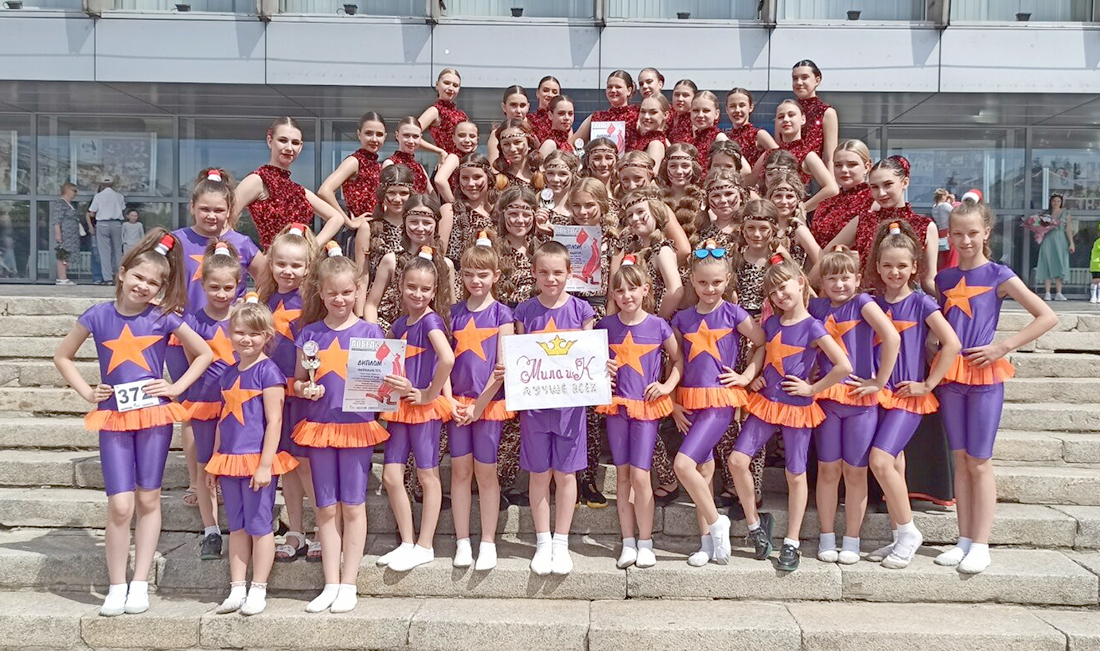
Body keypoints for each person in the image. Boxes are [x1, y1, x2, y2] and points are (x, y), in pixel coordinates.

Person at [53, 229, 213, 616]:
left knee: (148, 498)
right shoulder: (97, 315)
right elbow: (62, 356)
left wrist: (176, 387)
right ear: (123, 273)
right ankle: (116, 584)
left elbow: (205, 353)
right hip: (113, 417)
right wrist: (87, 392)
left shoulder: (163, 317)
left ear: (161, 288)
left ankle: (139, 583)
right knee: (121, 506)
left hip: (154, 416)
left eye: (153, 282)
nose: (143, 286)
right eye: (138, 277)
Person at [933, 201, 1057, 574]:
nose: (966, 240)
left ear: (986, 232)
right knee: (959, 459)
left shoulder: (999, 274)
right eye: (958, 233)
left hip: (985, 377)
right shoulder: (944, 279)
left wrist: (1002, 346)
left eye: (973, 233)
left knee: (980, 460)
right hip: (951, 377)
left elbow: (1047, 316)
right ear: (950, 235)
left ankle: (981, 543)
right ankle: (963, 540)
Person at [729, 254, 851, 572]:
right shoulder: (770, 323)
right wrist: (752, 375)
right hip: (767, 402)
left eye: (784, 287)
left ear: (799, 283)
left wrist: (813, 389)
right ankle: (755, 526)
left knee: (795, 474)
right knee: (737, 460)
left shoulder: (813, 326)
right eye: (773, 292)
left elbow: (843, 366)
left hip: (797, 408)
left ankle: (792, 542)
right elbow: (762, 352)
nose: (780, 295)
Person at [292, 242, 390, 613]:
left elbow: (384, 384)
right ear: (320, 292)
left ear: (357, 291)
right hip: (319, 427)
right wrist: (304, 389)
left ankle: (349, 583)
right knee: (325, 507)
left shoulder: (370, 332)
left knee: (353, 505)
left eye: (347, 292)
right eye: (332, 293)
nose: (340, 299)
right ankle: (330, 582)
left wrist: (392, 386)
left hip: (357, 429)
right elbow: (297, 381)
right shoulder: (309, 334)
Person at [864, 220, 961, 569]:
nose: (895, 272)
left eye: (902, 266)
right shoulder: (872, 303)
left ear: (914, 267)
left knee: (879, 460)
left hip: (908, 395)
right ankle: (897, 534)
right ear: (878, 267)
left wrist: (928, 384)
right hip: (880, 393)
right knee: (895, 463)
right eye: (888, 265)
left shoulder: (922, 302)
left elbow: (951, 344)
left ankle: (908, 532)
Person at [671, 241, 764, 565]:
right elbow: (675, 362)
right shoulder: (682, 319)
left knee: (682, 465)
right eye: (703, 282)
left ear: (727, 281)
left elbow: (762, 343)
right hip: (690, 400)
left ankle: (716, 522)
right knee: (703, 468)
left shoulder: (734, 313)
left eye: (716, 282)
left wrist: (746, 376)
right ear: (692, 282)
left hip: (720, 399)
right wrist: (673, 402)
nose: (709, 289)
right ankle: (708, 544)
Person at [206, 294, 298, 616]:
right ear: (230, 334)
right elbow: (222, 420)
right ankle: (236, 587)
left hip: (257, 459)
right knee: (237, 526)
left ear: (267, 336)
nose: (247, 339)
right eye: (240, 332)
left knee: (260, 526)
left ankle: (258, 587)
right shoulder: (228, 373)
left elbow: (275, 422)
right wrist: (215, 459)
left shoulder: (269, 372)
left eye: (255, 334)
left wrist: (264, 465)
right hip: (230, 459)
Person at [809, 246, 899, 566]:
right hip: (827, 400)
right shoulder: (817, 306)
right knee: (828, 469)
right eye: (831, 278)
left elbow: (892, 337)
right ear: (822, 282)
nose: (839, 284)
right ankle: (826, 536)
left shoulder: (863, 303)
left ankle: (852, 539)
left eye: (846, 278)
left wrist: (879, 381)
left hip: (860, 400)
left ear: (858, 279)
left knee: (855, 471)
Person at [514, 241, 597, 576]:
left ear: (569, 273)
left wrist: (600, 368)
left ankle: (561, 541)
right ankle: (542, 541)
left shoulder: (582, 311)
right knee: (539, 473)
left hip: (569, 409)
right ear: (534, 273)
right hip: (535, 408)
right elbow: (521, 357)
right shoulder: (524, 311)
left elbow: (589, 357)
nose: (551, 279)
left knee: (565, 474)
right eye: (544, 272)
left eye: (558, 272)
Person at [599, 258, 683, 569]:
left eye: (633, 289)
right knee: (622, 476)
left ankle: (646, 542)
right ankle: (628, 541)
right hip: (617, 408)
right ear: (613, 294)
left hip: (646, 408)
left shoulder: (658, 325)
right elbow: (589, 365)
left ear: (645, 290)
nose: (627, 295)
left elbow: (679, 361)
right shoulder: (604, 326)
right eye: (620, 291)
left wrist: (666, 386)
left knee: (641, 474)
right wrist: (603, 371)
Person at [377, 248, 455, 572]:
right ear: (400, 286)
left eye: (425, 289)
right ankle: (407, 542)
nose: (418, 294)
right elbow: (381, 359)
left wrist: (428, 394)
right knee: (391, 475)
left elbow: (447, 358)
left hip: (422, 409)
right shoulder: (399, 324)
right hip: (399, 408)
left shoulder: (431, 320)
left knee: (426, 474)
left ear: (434, 291)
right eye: (411, 287)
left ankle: (425, 544)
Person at [449, 234, 514, 570]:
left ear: (496, 276)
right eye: (469, 274)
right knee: (460, 471)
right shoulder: (452, 314)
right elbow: (444, 362)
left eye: (483, 274)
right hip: (458, 406)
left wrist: (478, 406)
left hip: (487, 405)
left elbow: (502, 368)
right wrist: (450, 402)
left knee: (486, 473)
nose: (476, 280)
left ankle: (488, 540)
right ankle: (462, 540)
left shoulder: (503, 315)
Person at [258, 223, 319, 562]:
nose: (288, 271)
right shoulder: (263, 300)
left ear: (308, 267)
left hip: (300, 395)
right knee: (286, 465)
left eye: (296, 265)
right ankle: (295, 530)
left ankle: (323, 528)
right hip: (272, 395)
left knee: (306, 464)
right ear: (270, 263)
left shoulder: (311, 302)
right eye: (281, 263)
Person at [181, 241, 242, 562]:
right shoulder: (192, 321)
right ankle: (211, 529)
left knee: (236, 464)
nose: (221, 293)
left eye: (228, 287)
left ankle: (242, 526)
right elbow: (192, 360)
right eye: (214, 287)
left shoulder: (244, 318)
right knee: (205, 465)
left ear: (238, 285)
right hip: (205, 401)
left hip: (240, 404)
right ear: (202, 284)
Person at [821, 156, 938, 295]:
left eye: (888, 184)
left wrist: (949, 300)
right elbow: (826, 254)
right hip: (866, 301)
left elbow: (928, 279)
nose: (881, 193)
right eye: (875, 187)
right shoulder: (863, 220)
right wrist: (810, 289)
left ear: (905, 182)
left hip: (906, 302)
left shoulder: (925, 225)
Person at [234, 117, 345, 249]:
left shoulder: (299, 191)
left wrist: (310, 248)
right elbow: (225, 220)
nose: (289, 148)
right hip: (269, 259)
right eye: (283, 140)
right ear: (270, 141)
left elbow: (337, 218)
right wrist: (251, 254)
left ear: (301, 147)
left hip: (299, 260)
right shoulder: (257, 180)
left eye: (295, 143)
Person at [318, 112, 387, 242]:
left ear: (385, 137)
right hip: (357, 234)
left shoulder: (377, 165)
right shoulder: (354, 161)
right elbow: (324, 191)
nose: (374, 139)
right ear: (359, 134)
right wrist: (348, 222)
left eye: (379, 134)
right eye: (368, 133)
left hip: (375, 231)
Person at [769, 100, 838, 211]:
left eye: (791, 115)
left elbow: (832, 189)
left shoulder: (808, 155)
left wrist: (801, 209)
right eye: (781, 117)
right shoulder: (770, 154)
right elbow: (748, 181)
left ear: (803, 119)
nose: (786, 119)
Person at [810, 140, 875, 248]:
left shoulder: (875, 200)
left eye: (852, 164)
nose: (844, 170)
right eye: (838, 165)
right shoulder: (826, 203)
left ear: (867, 166)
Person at [791, 59, 839, 170]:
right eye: (795, 78)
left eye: (804, 77)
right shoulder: (786, 112)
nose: (799, 82)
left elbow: (830, 158)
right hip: (786, 173)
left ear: (817, 80)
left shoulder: (826, 112)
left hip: (813, 175)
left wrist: (830, 180)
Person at [725, 88, 778, 182]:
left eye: (742, 105)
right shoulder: (726, 138)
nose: (737, 110)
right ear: (727, 109)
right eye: (732, 106)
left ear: (751, 107)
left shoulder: (759, 134)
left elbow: (780, 158)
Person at [574, 70, 639, 146]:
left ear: (629, 91)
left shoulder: (638, 114)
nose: (613, 90)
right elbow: (573, 143)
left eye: (618, 87)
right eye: (609, 87)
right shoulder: (597, 117)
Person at [416, 68, 467, 158]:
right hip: (448, 161)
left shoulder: (462, 115)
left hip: (465, 162)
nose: (450, 88)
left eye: (455, 85)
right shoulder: (434, 111)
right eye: (446, 83)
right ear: (437, 85)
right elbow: (412, 135)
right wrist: (440, 151)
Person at [1035, 193, 1075, 301]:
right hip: (1048, 240)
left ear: (1061, 202)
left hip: (1061, 240)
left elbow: (1068, 229)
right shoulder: (1045, 214)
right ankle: (1047, 292)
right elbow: (1038, 226)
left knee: (1060, 264)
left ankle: (1059, 292)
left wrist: (1071, 243)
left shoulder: (1066, 214)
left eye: (1058, 201)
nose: (1056, 203)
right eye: (1054, 201)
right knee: (1046, 263)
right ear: (1050, 202)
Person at [87, 175, 126, 285]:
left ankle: (108, 278)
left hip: (103, 224)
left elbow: (92, 212)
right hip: (117, 224)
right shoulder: (119, 196)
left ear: (102, 184)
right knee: (118, 251)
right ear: (112, 185)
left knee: (104, 252)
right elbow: (122, 209)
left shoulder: (98, 196)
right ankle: (119, 276)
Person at [383, 117, 432, 196]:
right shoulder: (390, 164)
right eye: (406, 135)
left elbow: (432, 196)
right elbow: (386, 196)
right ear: (397, 135)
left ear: (420, 138)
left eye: (415, 136)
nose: (411, 141)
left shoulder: (420, 168)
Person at [689, 91, 728, 176]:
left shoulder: (719, 138)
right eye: (696, 110)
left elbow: (744, 170)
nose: (700, 115)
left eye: (706, 111)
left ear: (716, 114)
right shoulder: (695, 138)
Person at [50, 182, 80, 286]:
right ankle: (61, 278)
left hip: (71, 236)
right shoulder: (60, 203)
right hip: (65, 234)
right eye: (74, 191)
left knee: (67, 255)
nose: (75, 193)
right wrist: (58, 234)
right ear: (67, 190)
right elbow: (56, 220)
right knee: (62, 254)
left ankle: (64, 277)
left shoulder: (69, 204)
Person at [528, 76, 562, 142]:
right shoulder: (529, 120)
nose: (550, 95)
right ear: (538, 93)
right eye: (546, 90)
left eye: (554, 92)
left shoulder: (562, 120)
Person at [667, 79, 698, 145]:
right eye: (677, 95)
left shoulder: (696, 120)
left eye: (685, 95)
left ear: (694, 98)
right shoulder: (668, 117)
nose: (680, 99)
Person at [1090, 227, 1100, 303]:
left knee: (1097, 280)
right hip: (1097, 264)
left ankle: (1097, 297)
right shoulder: (1098, 241)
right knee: (1096, 280)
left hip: (1095, 264)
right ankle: (1094, 296)